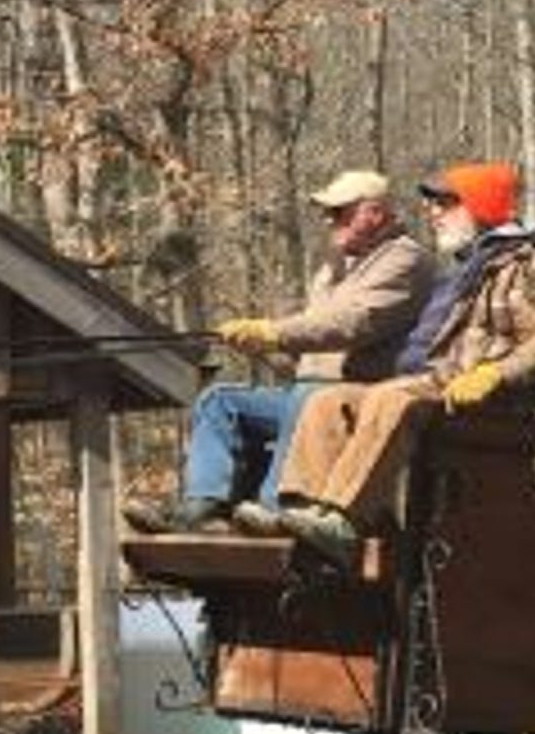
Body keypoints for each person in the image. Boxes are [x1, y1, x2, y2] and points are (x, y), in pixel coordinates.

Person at [264, 159, 535, 563]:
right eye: (432, 205)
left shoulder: (534, 264)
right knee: (329, 401)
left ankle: (343, 520)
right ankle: (303, 511)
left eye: (446, 204)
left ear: (479, 207)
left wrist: (495, 374)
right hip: (436, 384)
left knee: (391, 400)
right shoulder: (469, 267)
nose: (432, 213)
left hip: (491, 401)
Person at [124, 170, 435, 534]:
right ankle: (202, 510)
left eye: (339, 212)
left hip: (360, 399)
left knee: (308, 398)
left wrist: (273, 333)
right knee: (219, 401)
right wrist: (256, 344)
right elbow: (307, 354)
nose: (328, 221)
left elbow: (353, 324)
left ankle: (274, 508)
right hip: (311, 390)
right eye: (328, 213)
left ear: (376, 213)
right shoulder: (333, 269)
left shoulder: (405, 261)